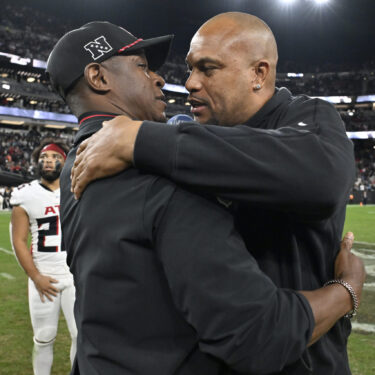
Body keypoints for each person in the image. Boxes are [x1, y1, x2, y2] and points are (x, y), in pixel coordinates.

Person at [48, 21, 364, 374]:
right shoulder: (141, 159)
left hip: (305, 361)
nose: (187, 83)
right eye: (190, 68)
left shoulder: (305, 117)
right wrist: (346, 290)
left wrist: (139, 139)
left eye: (208, 69)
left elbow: (320, 176)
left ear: (258, 73)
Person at [10, 138, 77, 375]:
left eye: (55, 157)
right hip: (43, 276)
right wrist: (36, 277)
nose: (48, 161)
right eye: (44, 158)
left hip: (74, 276)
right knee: (43, 338)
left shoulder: (77, 188)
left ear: (65, 161)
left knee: (80, 336)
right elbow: (18, 240)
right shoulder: (25, 194)